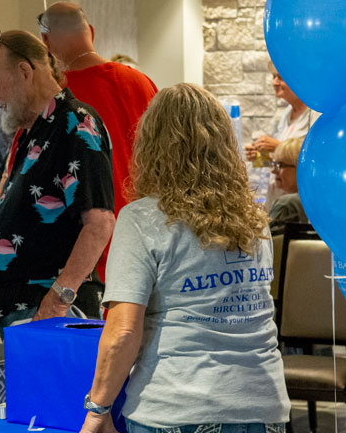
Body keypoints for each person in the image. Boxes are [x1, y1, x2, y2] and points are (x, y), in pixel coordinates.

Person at [79, 83, 289, 433]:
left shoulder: (143, 220)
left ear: (151, 146)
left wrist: (97, 409)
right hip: (262, 406)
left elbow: (123, 331)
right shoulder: (255, 219)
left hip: (177, 406)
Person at [0, 30, 115, 336]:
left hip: (49, 308)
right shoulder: (35, 129)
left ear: (24, 72)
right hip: (26, 306)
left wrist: (56, 301)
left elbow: (99, 223)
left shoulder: (76, 122)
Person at [38, 2, 157, 281]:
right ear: (91, 32)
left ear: (45, 42)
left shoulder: (55, 99)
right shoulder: (141, 81)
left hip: (86, 248)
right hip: (146, 233)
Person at [245, 61, 319, 205]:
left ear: (297, 80)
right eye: (273, 77)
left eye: (280, 77)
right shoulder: (286, 115)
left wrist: (277, 146)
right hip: (277, 197)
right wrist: (261, 156)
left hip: (298, 203)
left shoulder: (314, 115)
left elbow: (314, 156)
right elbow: (282, 161)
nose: (275, 82)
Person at [267, 136, 307, 225]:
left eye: (280, 165)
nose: (273, 170)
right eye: (274, 164)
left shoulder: (286, 204)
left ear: (299, 168)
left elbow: (266, 238)